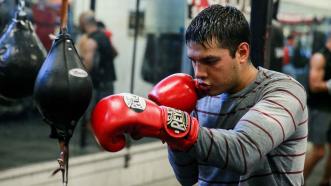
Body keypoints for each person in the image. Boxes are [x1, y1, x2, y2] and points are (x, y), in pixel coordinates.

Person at [91, 5, 308, 185]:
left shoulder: (284, 91)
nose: (199, 73)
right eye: (193, 61)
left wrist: (169, 122)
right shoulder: (200, 94)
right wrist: (169, 131)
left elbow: (244, 151)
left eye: (210, 61)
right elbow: (187, 177)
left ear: (242, 52)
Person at [77, 11, 117, 147]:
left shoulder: (90, 41)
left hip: (96, 84)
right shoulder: (104, 36)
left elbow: (87, 65)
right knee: (106, 115)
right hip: (108, 81)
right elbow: (114, 53)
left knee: (90, 118)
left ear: (83, 24)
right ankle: (107, 143)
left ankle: (102, 144)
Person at [304, 34, 331, 186]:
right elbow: (314, 85)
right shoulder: (320, 57)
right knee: (319, 152)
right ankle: (296, 182)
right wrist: (328, 85)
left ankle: (325, 181)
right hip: (321, 109)